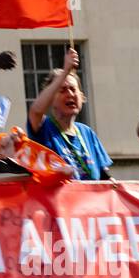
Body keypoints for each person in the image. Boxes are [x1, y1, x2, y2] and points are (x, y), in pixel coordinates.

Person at [26, 47, 112, 180]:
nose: (70, 94)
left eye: (73, 89)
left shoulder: (87, 133)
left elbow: (105, 177)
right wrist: (66, 71)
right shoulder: (43, 127)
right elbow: (35, 111)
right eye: (63, 90)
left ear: (82, 97)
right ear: (51, 99)